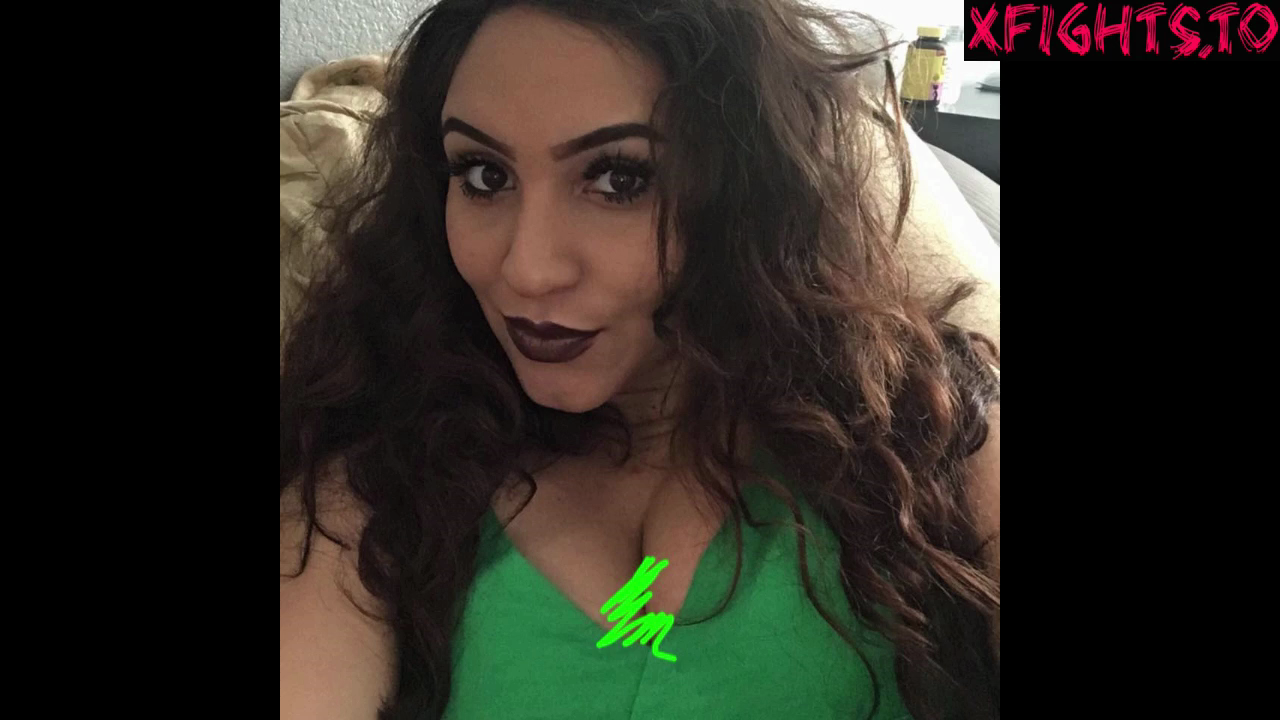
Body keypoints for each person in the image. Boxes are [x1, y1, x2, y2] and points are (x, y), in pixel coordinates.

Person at [280, 1, 1000, 719]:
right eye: (484, 176)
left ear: (750, 195)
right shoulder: (377, 487)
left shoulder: (934, 438)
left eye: (619, 180)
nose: (527, 269)